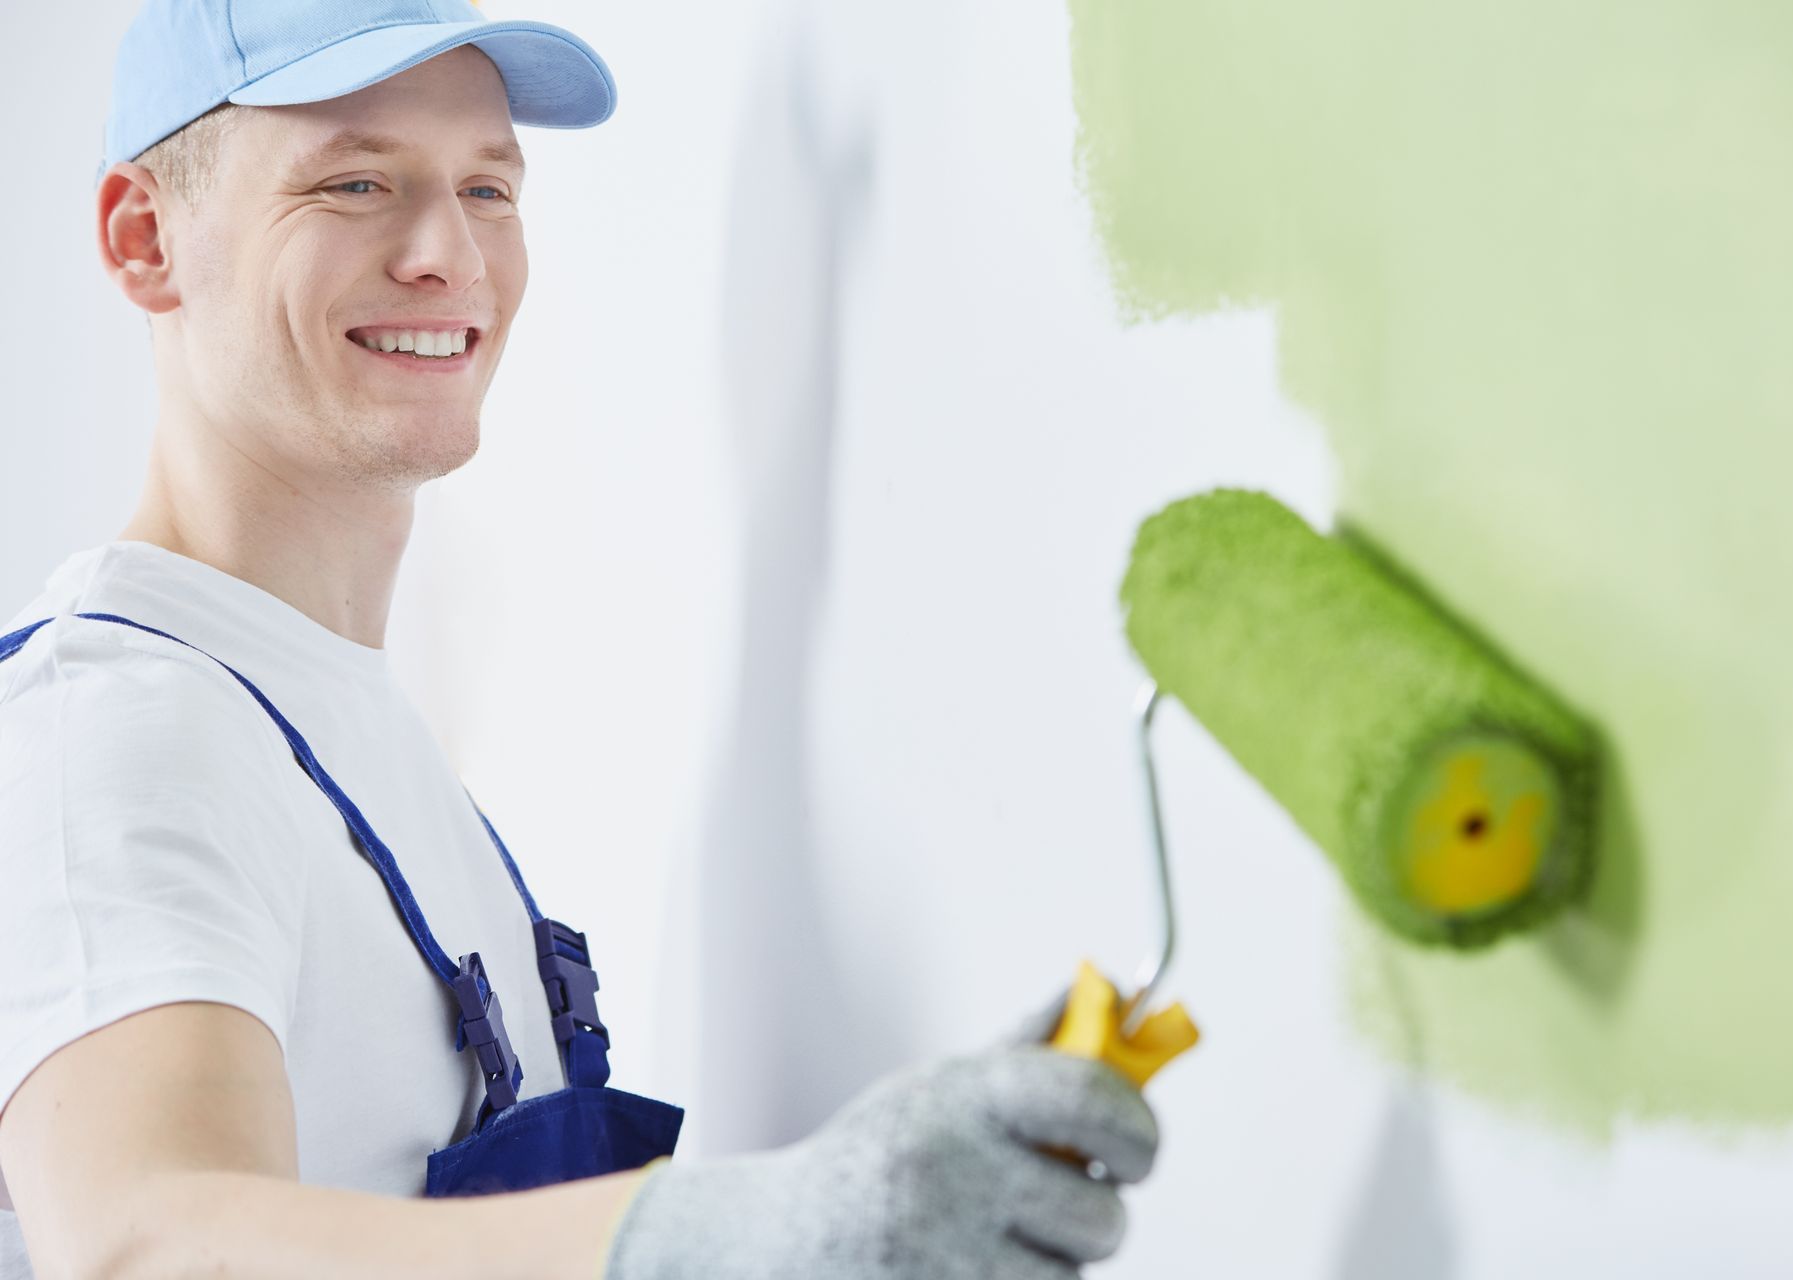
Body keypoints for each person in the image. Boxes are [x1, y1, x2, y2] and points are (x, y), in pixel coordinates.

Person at [0, 2, 1160, 1278]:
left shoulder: (335, 714)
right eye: (356, 182)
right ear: (144, 237)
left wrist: (887, 1197)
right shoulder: (112, 727)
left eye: (488, 188)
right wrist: (739, 1230)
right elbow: (143, 1242)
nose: (450, 254)